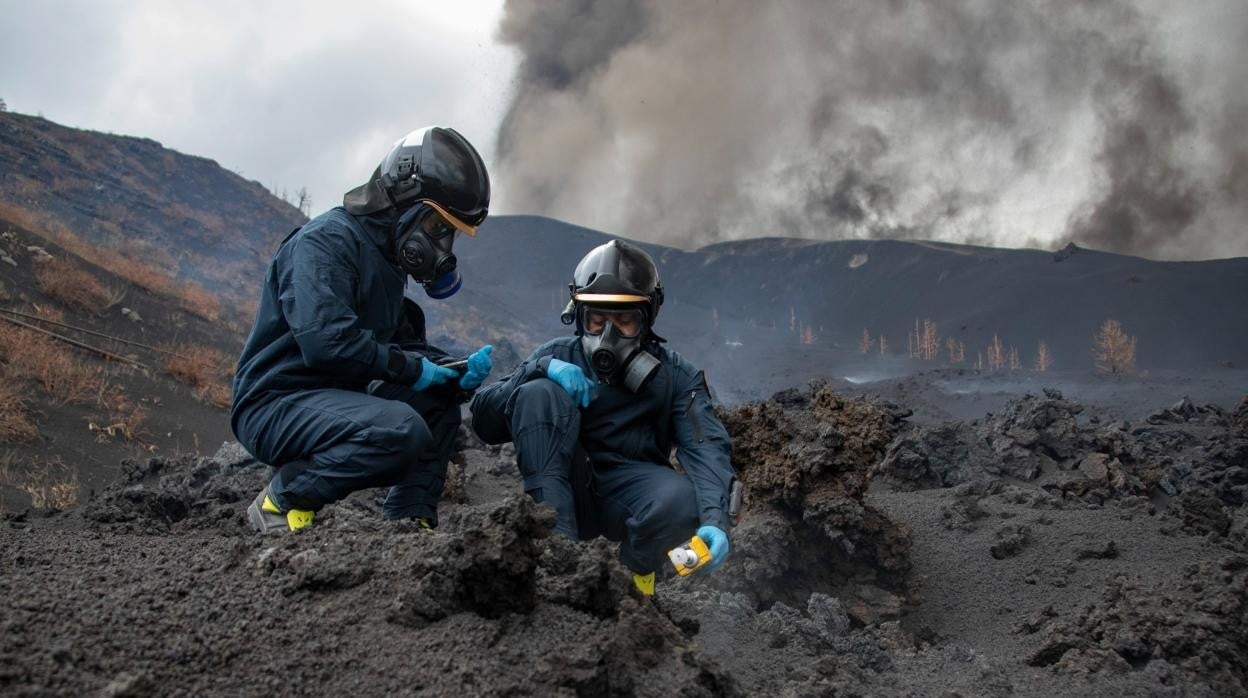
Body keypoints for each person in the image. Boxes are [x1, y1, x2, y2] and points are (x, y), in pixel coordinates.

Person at [231, 126, 494, 534]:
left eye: (451, 234)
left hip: (333, 397)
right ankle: (280, 503)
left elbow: (401, 348)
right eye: (439, 227)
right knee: (399, 430)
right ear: (404, 199)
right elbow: (326, 342)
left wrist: (450, 371)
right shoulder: (325, 244)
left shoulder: (386, 262)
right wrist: (413, 369)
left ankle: (409, 522)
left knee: (436, 405)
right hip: (275, 402)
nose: (443, 246)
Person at [470, 239, 737, 595]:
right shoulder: (557, 355)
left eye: (624, 320)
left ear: (647, 317)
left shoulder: (676, 375)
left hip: (632, 493)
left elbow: (706, 448)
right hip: (561, 487)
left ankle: (632, 584)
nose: (608, 335)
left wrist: (716, 521)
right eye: (597, 319)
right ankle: (558, 560)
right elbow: (483, 421)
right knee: (538, 392)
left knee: (684, 501)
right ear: (579, 316)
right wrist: (539, 369)